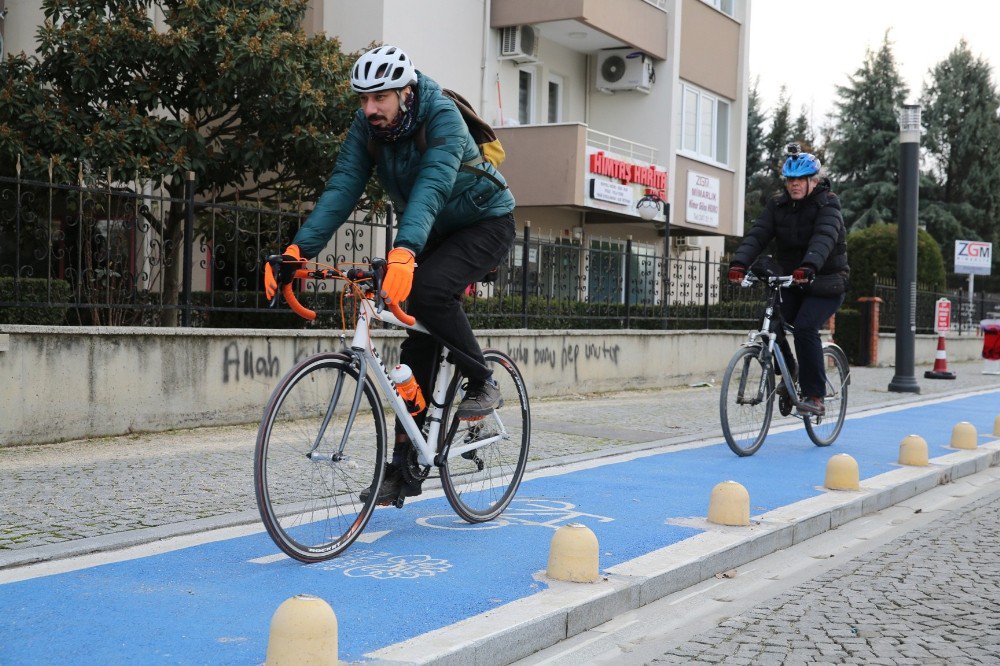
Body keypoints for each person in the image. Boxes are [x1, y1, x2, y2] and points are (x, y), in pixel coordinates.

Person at [264, 45, 516, 504]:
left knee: (430, 292)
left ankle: (481, 380)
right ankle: (403, 469)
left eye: (379, 97)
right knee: (413, 337)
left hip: (483, 220)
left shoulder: (440, 115)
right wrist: (298, 250)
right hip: (432, 231)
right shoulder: (367, 129)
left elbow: (433, 184)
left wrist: (403, 251)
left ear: (405, 90)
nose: (369, 108)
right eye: (362, 98)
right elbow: (342, 188)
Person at [727, 144, 849, 416]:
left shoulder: (828, 203)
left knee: (805, 327)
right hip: (792, 280)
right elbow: (759, 234)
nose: (794, 185)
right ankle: (789, 369)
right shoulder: (778, 205)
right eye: (790, 180)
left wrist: (808, 266)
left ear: (813, 181)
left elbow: (824, 237)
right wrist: (739, 263)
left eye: (800, 180)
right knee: (769, 320)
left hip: (826, 281)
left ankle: (815, 395)